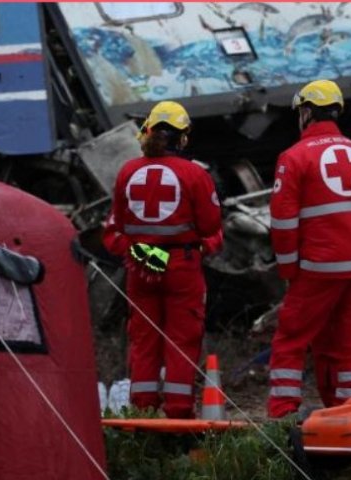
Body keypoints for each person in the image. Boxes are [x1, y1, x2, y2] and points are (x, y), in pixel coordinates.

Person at [267, 79, 351, 418]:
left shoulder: (293, 158)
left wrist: (289, 270)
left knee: (291, 338)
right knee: (349, 344)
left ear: (306, 113)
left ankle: (283, 413)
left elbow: (283, 222)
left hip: (318, 267)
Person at [102, 100, 222, 419]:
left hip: (141, 265)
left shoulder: (127, 171)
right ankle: (179, 413)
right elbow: (210, 226)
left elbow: (118, 226)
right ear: (182, 137)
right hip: (181, 266)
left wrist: (144, 252)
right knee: (182, 339)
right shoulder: (194, 174)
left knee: (143, 341)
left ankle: (143, 413)